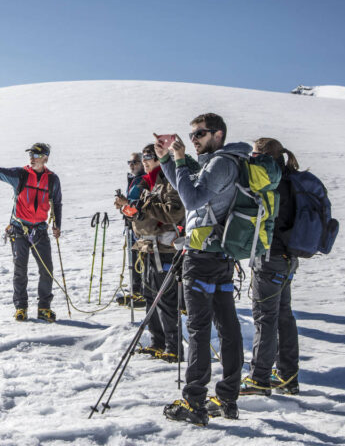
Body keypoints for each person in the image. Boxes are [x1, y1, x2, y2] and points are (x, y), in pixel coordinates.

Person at [158, 113, 250, 425]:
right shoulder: (225, 162)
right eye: (192, 134)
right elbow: (188, 188)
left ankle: (194, 402)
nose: (194, 139)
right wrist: (167, 160)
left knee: (199, 329)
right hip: (218, 255)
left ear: (218, 134)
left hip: (202, 257)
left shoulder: (221, 162)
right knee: (227, 327)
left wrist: (179, 160)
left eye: (200, 133)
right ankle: (227, 398)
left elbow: (192, 199)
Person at [0, 143, 62, 323]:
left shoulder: (52, 180)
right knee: (20, 270)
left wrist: (57, 225)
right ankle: (21, 308)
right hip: (19, 229)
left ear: (45, 158)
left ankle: (44, 308)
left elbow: (57, 203)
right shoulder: (21, 175)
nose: (32, 158)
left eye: (36, 155)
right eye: (30, 155)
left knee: (47, 270)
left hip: (40, 231)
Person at [240, 138, 300, 396]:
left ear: (265, 157)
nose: (252, 159)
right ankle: (288, 375)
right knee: (283, 315)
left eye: (255, 154)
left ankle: (259, 378)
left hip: (269, 259)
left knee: (265, 318)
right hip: (288, 258)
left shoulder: (270, 183)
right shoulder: (291, 180)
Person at [118, 144, 185, 362]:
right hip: (148, 247)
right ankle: (158, 342)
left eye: (149, 157)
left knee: (165, 299)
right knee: (150, 297)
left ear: (160, 159)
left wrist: (142, 209)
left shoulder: (169, 181)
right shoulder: (148, 183)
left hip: (165, 249)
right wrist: (131, 211)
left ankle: (173, 347)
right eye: (144, 157)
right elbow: (144, 215)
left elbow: (174, 213)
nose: (145, 161)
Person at [115, 152, 146, 307]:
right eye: (130, 162)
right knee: (134, 259)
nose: (132, 165)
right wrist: (123, 206)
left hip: (142, 226)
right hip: (133, 225)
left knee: (141, 259)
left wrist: (125, 203)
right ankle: (137, 290)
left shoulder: (144, 180)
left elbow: (141, 206)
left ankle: (143, 292)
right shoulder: (134, 180)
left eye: (135, 162)